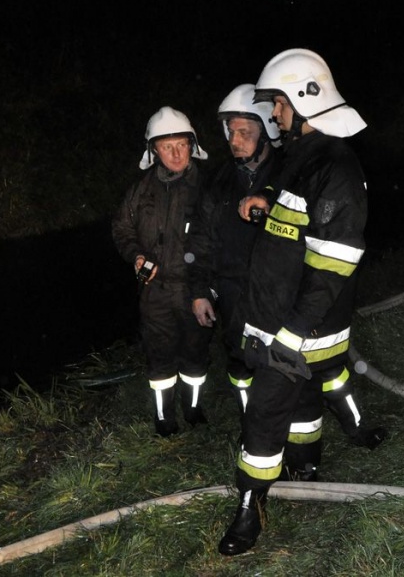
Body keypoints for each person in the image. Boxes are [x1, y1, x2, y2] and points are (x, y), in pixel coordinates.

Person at [217, 49, 371, 556]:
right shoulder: (303, 156)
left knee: (263, 411)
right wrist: (267, 210)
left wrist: (294, 331)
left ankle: (250, 506)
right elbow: (299, 229)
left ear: (305, 102)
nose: (274, 116)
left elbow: (334, 262)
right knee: (303, 401)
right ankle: (307, 460)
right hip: (273, 311)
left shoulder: (336, 167)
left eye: (279, 105)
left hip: (299, 322)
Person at [189, 83, 387, 450]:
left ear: (266, 129)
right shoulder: (217, 182)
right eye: (230, 131)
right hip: (237, 296)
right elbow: (200, 241)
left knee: (324, 369)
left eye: (244, 132)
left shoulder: (293, 170)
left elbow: (326, 240)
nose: (235, 139)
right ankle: (257, 431)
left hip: (288, 297)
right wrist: (201, 290)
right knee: (245, 369)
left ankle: (354, 423)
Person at [111, 106, 213, 436]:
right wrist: (137, 256)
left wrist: (208, 288)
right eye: (166, 146)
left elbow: (221, 242)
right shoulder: (140, 189)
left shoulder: (208, 187)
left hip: (194, 290)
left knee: (195, 356)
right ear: (153, 150)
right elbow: (122, 229)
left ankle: (194, 410)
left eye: (181, 144)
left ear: (192, 144)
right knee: (159, 359)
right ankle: (164, 419)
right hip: (153, 292)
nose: (175, 153)